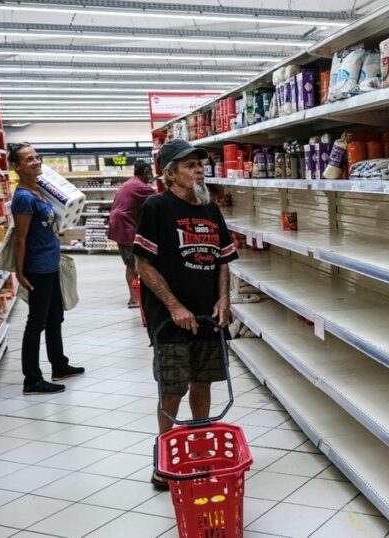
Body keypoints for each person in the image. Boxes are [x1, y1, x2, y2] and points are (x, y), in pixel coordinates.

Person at [132, 139, 237, 489]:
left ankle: (199, 448)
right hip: (169, 319)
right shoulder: (156, 207)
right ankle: (163, 462)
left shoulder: (211, 210)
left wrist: (224, 300)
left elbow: (223, 260)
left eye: (199, 164)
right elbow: (143, 264)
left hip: (208, 316)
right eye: (189, 165)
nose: (198, 170)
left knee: (203, 382)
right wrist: (175, 306)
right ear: (170, 172)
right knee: (172, 388)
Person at [9, 143, 85, 394]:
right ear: (17, 166)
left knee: (55, 317)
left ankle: (59, 364)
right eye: (28, 159)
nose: (36, 162)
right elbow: (20, 239)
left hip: (51, 263)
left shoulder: (39, 190)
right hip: (37, 267)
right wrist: (19, 273)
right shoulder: (23, 197)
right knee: (37, 322)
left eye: (36, 157)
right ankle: (31, 378)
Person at [108, 159, 156, 308]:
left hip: (119, 225)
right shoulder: (141, 186)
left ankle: (135, 296)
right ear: (146, 173)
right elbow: (162, 198)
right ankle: (134, 298)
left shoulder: (130, 182)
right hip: (125, 227)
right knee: (132, 264)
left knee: (130, 263)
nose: (151, 175)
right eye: (150, 173)